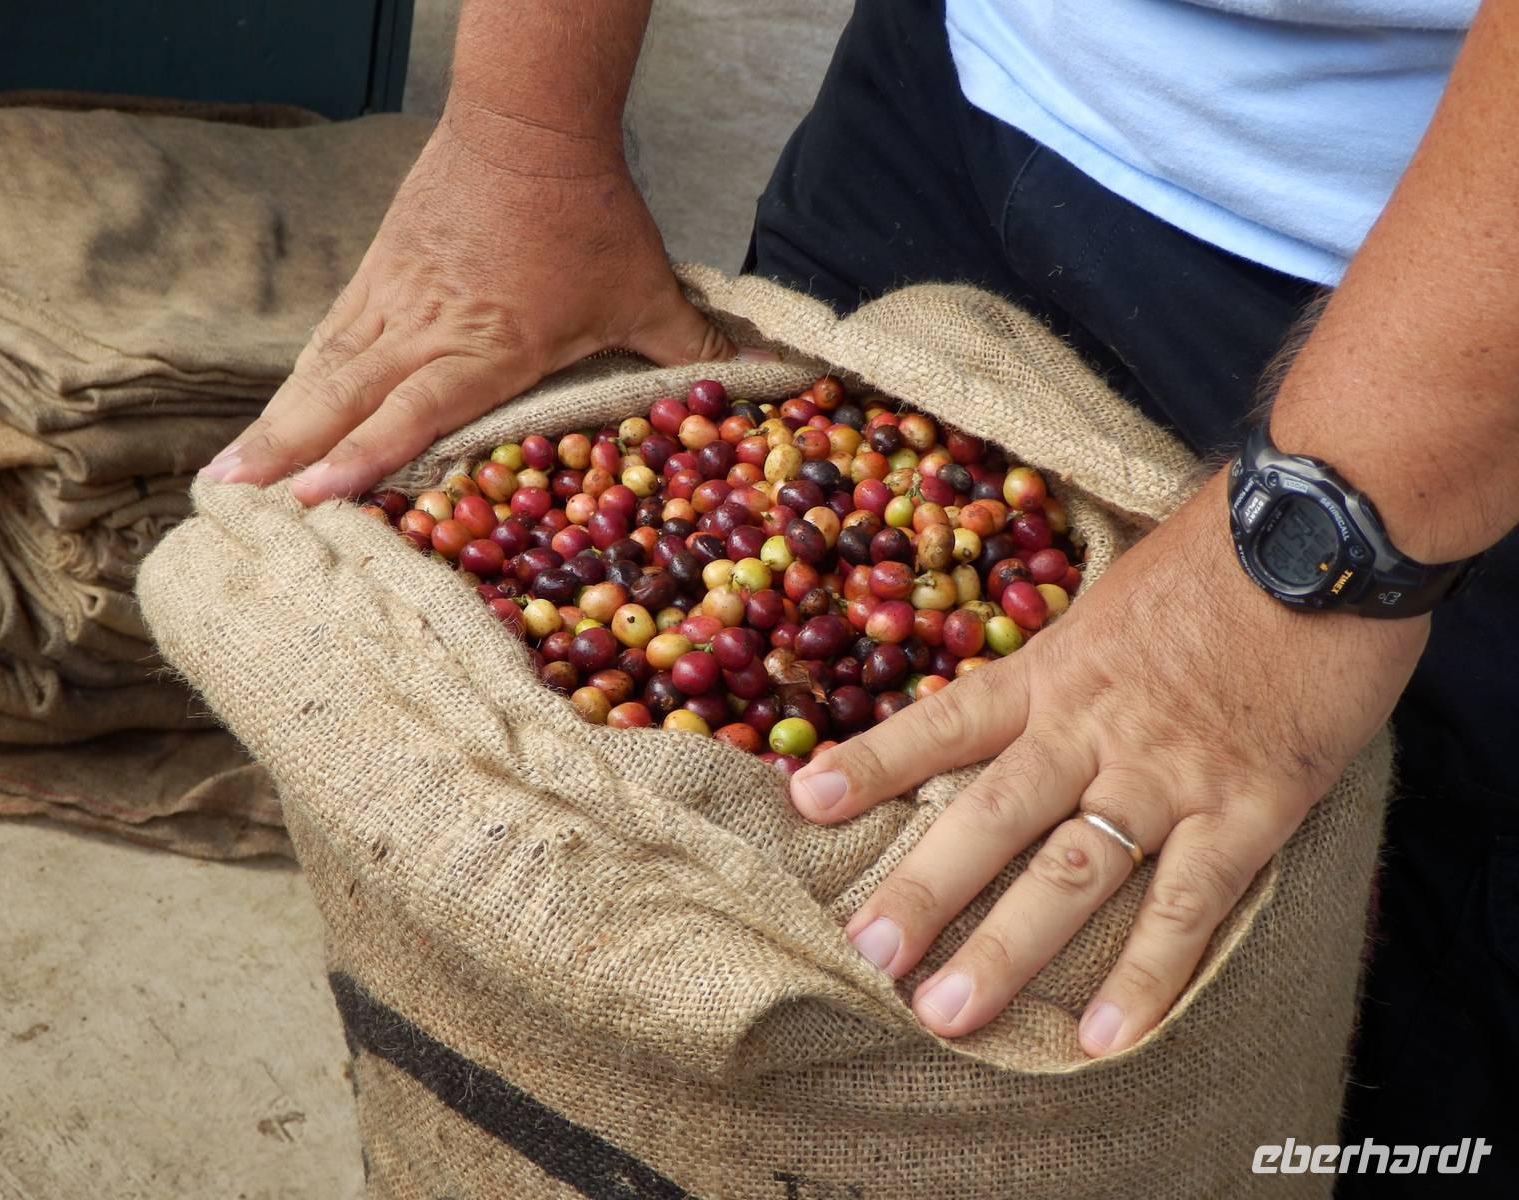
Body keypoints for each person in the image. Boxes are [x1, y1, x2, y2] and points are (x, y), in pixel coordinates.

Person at [202, 0, 1518, 1186]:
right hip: (951, 98)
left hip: (1449, 303)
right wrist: (526, 134)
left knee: (1399, 1044)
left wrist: (1335, 524)